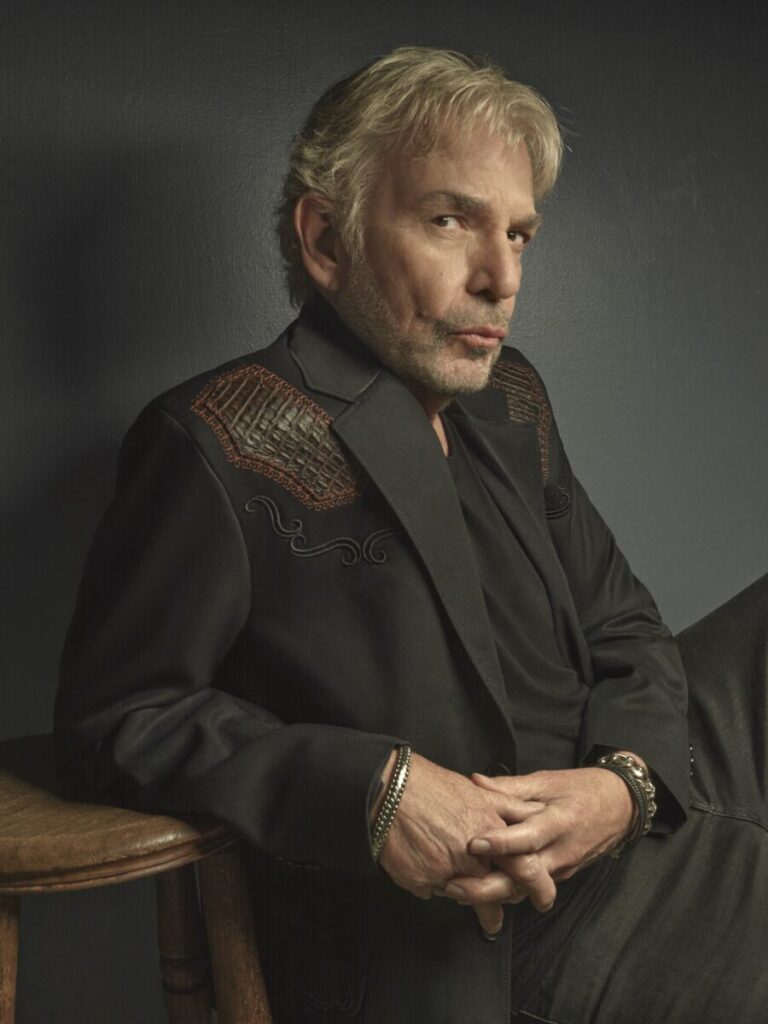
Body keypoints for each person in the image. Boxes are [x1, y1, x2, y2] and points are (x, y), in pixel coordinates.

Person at [54, 47, 768, 1024]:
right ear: (326, 239)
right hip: (508, 915)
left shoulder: (511, 395)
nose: (501, 277)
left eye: (519, 233)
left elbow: (623, 626)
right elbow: (114, 718)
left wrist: (625, 784)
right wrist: (374, 790)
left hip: (617, 796)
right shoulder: (219, 436)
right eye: (449, 220)